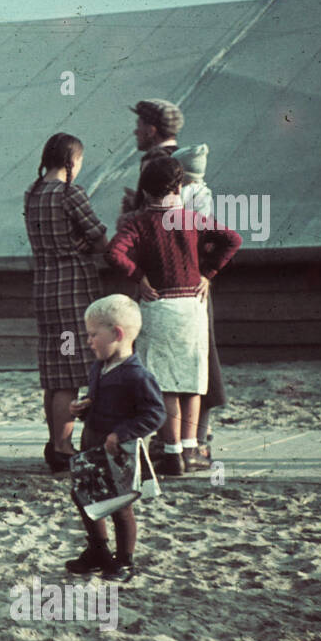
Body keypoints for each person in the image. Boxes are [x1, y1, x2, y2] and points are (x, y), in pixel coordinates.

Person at [106, 158, 242, 475]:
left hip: (157, 306)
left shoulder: (137, 223)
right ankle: (191, 449)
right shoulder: (193, 219)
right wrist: (208, 272)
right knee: (193, 382)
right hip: (191, 306)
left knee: (164, 384)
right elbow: (233, 239)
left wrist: (138, 275)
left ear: (145, 190)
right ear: (179, 187)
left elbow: (114, 253)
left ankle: (170, 452)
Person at [122, 99, 228, 468]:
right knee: (192, 365)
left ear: (152, 128)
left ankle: (186, 440)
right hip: (188, 282)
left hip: (172, 283)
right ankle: (187, 441)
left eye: (139, 125)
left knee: (174, 368)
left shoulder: (163, 166)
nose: (135, 131)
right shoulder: (173, 162)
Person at [22, 134, 108, 473]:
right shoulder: (69, 194)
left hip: (44, 288)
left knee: (55, 371)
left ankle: (54, 442)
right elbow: (99, 238)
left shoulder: (32, 193)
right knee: (70, 372)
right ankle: (62, 446)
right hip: (72, 289)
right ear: (72, 162)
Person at [65, 295, 166, 580]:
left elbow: (155, 414)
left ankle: (125, 560)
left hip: (118, 450)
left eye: (94, 334)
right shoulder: (99, 367)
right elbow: (98, 401)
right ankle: (98, 549)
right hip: (92, 445)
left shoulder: (137, 375)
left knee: (120, 505)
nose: (88, 341)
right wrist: (82, 408)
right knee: (84, 496)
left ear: (117, 333)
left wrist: (122, 433)